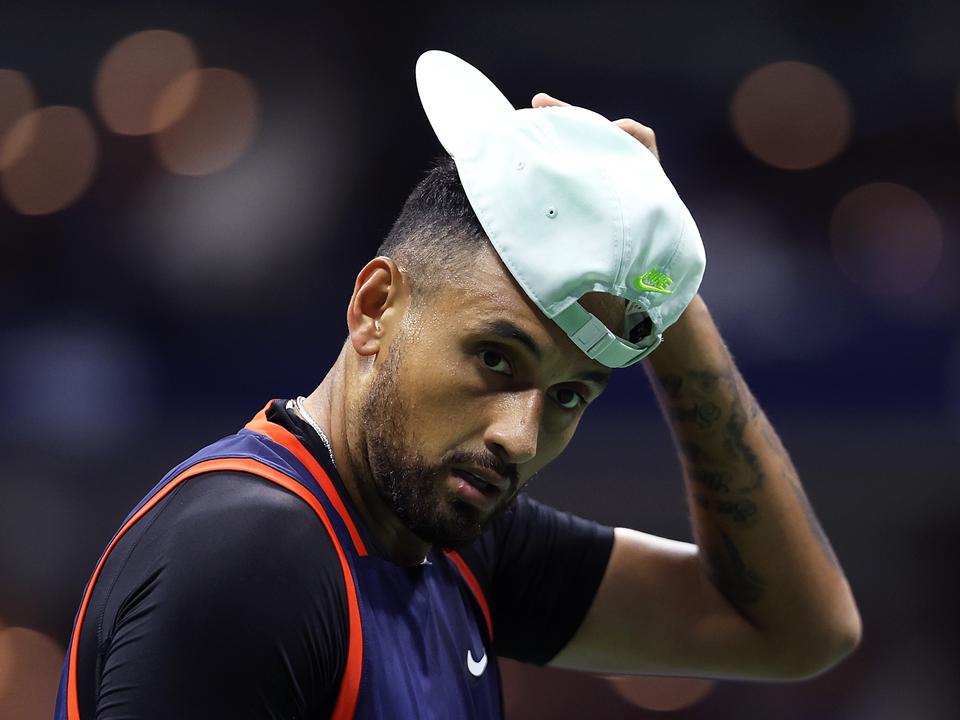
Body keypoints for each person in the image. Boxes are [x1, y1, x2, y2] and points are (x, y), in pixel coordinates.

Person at [53, 51, 860, 720]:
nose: (519, 435)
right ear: (375, 308)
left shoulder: (454, 543)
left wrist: (659, 286)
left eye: (571, 395)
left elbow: (794, 630)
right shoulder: (254, 560)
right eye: (495, 360)